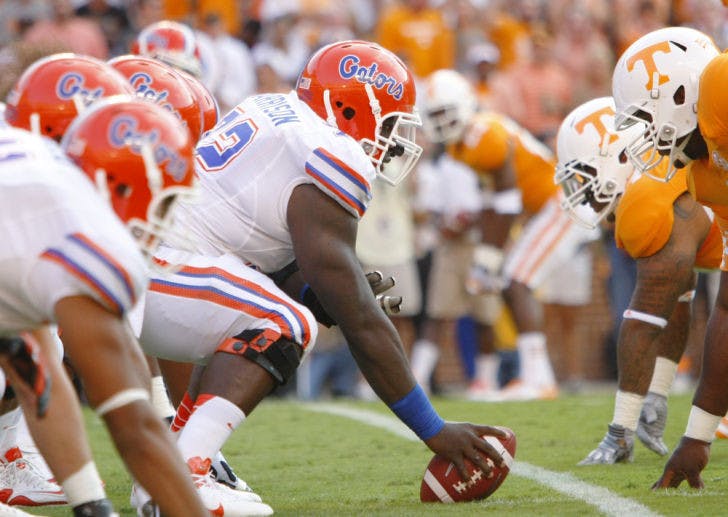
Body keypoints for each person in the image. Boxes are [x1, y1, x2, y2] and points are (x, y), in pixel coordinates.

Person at [137, 40, 511, 513]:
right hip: (162, 271)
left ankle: (163, 478)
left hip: (157, 264)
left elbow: (268, 260)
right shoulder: (329, 150)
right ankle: (185, 474)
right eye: (391, 122)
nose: (394, 141)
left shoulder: (273, 109)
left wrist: (326, 294)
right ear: (347, 107)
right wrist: (433, 429)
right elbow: (358, 317)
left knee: (269, 312)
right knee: (287, 323)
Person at [1, 94, 208, 515]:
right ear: (122, 185)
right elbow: (132, 424)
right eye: (163, 202)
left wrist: (90, 504)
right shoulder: (81, 236)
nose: (165, 221)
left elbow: (37, 372)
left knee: (39, 351)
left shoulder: (39, 181)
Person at [553, 96, 721, 465]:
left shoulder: (647, 195)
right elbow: (679, 296)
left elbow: (644, 319)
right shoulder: (667, 179)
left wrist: (620, 430)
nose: (582, 191)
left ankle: (619, 439)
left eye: (585, 174)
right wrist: (658, 393)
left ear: (618, 155)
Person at [421, 68, 601, 401]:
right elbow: (493, 202)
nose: (443, 121)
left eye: (446, 112)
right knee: (510, 279)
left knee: (515, 279)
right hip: (546, 207)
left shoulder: (482, 135)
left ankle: (539, 379)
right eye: (436, 115)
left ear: (464, 104)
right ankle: (536, 376)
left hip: (561, 202)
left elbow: (505, 205)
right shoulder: (464, 143)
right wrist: (487, 258)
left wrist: (487, 257)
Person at [611, 25, 728, 488]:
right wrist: (697, 437)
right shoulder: (706, 177)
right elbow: (727, 308)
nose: (645, 138)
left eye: (644, 118)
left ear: (678, 93)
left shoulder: (721, 82)